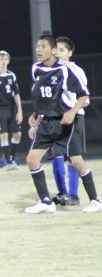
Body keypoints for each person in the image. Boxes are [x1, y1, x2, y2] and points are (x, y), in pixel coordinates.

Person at [23, 35, 99, 214]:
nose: (38, 50)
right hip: (46, 121)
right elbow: (41, 95)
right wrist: (35, 115)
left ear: (53, 50)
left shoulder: (66, 69)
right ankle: (46, 202)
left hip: (64, 121)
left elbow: (84, 94)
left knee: (76, 160)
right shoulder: (36, 69)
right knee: (32, 160)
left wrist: (72, 112)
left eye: (42, 46)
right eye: (37, 47)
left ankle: (95, 200)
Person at [50, 37, 88, 206]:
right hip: (54, 119)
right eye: (56, 49)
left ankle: (74, 194)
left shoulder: (75, 70)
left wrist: (72, 111)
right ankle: (62, 193)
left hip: (73, 118)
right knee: (56, 154)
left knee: (73, 156)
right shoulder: (50, 71)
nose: (57, 52)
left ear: (70, 53)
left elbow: (85, 98)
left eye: (62, 50)